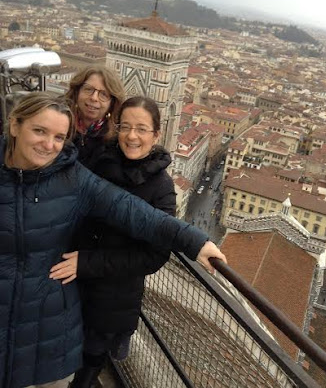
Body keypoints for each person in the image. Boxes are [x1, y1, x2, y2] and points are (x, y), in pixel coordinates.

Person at [0, 92, 226, 388]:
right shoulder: (101, 163)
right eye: (39, 131)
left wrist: (195, 242)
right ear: (15, 126)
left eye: (58, 136)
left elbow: (136, 212)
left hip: (47, 320)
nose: (48, 144)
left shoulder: (73, 177)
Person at [50, 96, 177, 386]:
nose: (132, 136)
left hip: (111, 299)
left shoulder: (162, 187)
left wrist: (88, 262)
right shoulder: (100, 161)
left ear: (156, 135)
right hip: (70, 282)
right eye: (126, 126)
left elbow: (155, 256)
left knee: (87, 363)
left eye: (142, 129)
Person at [65, 65, 125, 169]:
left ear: (112, 103)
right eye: (88, 89)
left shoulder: (116, 143)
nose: (94, 98)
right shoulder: (57, 124)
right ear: (77, 92)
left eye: (104, 94)